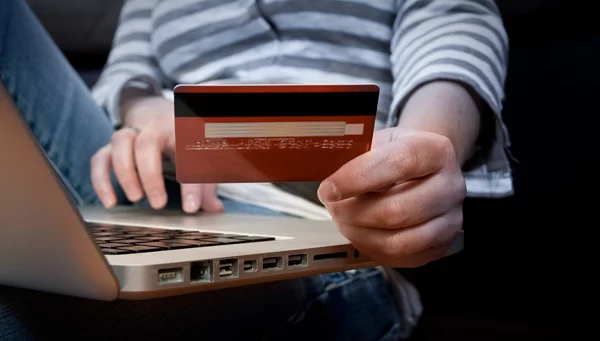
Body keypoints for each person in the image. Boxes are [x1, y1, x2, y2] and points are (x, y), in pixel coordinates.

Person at [0, 0, 512, 340]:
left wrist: (421, 155)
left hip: (328, 230)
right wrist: (151, 114)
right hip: (165, 199)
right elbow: (125, 73)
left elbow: (454, 29)